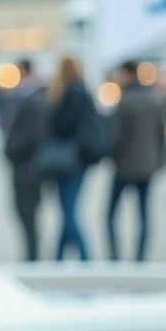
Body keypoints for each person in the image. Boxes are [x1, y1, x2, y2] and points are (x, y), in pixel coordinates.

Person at [106, 61, 166, 262]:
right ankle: (140, 258)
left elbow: (116, 137)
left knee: (110, 214)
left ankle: (115, 256)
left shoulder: (125, 101)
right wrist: (160, 161)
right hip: (147, 166)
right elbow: (161, 134)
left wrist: (112, 158)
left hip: (124, 167)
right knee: (143, 215)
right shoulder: (154, 98)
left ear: (127, 74)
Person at [3, 59, 47, 262]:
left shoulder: (32, 100)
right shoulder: (30, 98)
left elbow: (30, 136)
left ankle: (32, 258)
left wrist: (12, 150)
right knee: (25, 214)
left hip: (27, 168)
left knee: (27, 214)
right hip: (27, 167)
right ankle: (31, 256)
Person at [48, 56, 91, 262]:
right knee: (67, 211)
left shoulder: (71, 93)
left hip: (68, 161)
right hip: (77, 161)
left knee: (68, 212)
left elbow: (62, 124)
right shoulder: (83, 91)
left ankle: (85, 258)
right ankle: (58, 258)